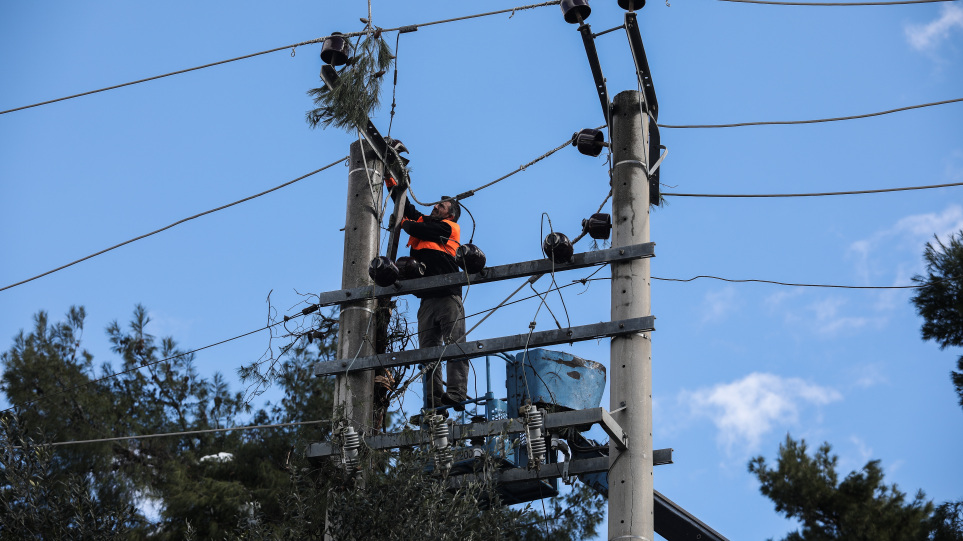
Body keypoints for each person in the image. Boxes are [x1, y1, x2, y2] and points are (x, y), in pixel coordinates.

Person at [400, 196, 468, 411]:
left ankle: (457, 393)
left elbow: (418, 229)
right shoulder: (427, 221)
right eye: (437, 204)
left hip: (448, 295)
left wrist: (403, 223)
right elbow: (407, 208)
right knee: (428, 354)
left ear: (450, 214)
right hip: (427, 298)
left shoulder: (449, 228)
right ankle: (434, 402)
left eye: (441, 206)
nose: (435, 207)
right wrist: (394, 183)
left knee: (454, 343)